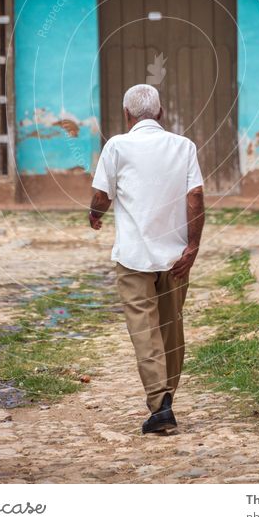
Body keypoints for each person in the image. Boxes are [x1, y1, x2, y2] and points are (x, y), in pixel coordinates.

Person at [89, 83, 205, 434]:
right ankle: (166, 398)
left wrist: (95, 214)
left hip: (133, 257)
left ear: (127, 116)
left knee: (145, 331)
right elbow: (196, 196)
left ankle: (160, 404)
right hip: (175, 259)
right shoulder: (183, 147)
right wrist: (192, 246)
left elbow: (101, 195)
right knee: (172, 330)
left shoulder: (117, 147)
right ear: (161, 112)